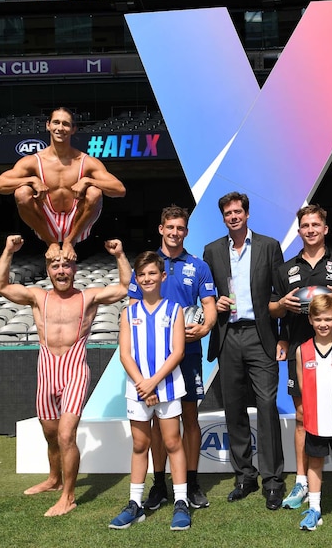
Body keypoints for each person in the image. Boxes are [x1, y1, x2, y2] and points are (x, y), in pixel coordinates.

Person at [0, 234, 131, 517]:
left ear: (74, 270)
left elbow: (126, 286)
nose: (61, 271)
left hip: (74, 369)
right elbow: (0, 285)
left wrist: (119, 255)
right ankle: (54, 480)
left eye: (66, 266)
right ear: (48, 271)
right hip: (46, 370)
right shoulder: (38, 297)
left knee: (67, 434)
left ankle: (68, 497)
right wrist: (8, 250)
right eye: (55, 266)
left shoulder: (87, 297)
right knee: (51, 435)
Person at [269, 204, 332, 509]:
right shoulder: (286, 268)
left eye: (315, 225)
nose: (310, 230)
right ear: (299, 231)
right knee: (301, 417)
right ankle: (300, 483)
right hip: (301, 352)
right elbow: (272, 308)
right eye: (305, 226)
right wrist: (282, 304)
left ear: (325, 229)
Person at [203, 191, 286, 510]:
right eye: (228, 213)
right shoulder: (211, 250)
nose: (233, 216)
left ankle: (273, 480)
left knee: (267, 406)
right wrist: (215, 303)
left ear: (247, 214)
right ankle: (244, 476)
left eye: (238, 211)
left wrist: (284, 338)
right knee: (234, 409)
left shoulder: (268, 246)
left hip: (260, 335)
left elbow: (283, 296)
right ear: (223, 218)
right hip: (227, 336)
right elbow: (206, 295)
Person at [130, 206, 217, 511]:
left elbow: (209, 305)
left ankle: (191, 483)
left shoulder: (198, 266)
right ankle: (158, 485)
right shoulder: (146, 265)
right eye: (170, 227)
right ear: (161, 229)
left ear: (186, 232)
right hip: (152, 360)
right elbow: (132, 307)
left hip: (188, 353)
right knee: (156, 425)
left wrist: (204, 328)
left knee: (190, 419)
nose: (175, 232)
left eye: (180, 228)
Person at [109, 252, 191, 532]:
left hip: (166, 387)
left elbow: (177, 352)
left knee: (172, 443)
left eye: (152, 273)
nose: (147, 278)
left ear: (162, 276)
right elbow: (125, 354)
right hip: (138, 390)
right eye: (141, 274)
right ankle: (135, 504)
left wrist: (153, 382)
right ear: (137, 278)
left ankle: (181, 502)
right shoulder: (128, 313)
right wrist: (143, 385)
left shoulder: (174, 310)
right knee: (140, 445)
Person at [0, 107, 126, 262]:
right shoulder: (34, 161)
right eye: (56, 122)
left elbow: (120, 189)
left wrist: (88, 180)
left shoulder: (86, 161)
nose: (60, 128)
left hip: (77, 222)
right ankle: (51, 243)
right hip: (46, 223)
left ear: (73, 129)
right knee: (21, 192)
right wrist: (31, 180)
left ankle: (70, 241)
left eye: (66, 124)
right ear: (48, 125)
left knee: (95, 191)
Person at [294, 294, 332, 532]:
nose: (323, 324)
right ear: (310, 320)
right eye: (318, 319)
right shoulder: (302, 351)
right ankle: (315, 509)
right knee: (315, 463)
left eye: (328, 319)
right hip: (314, 420)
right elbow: (302, 385)